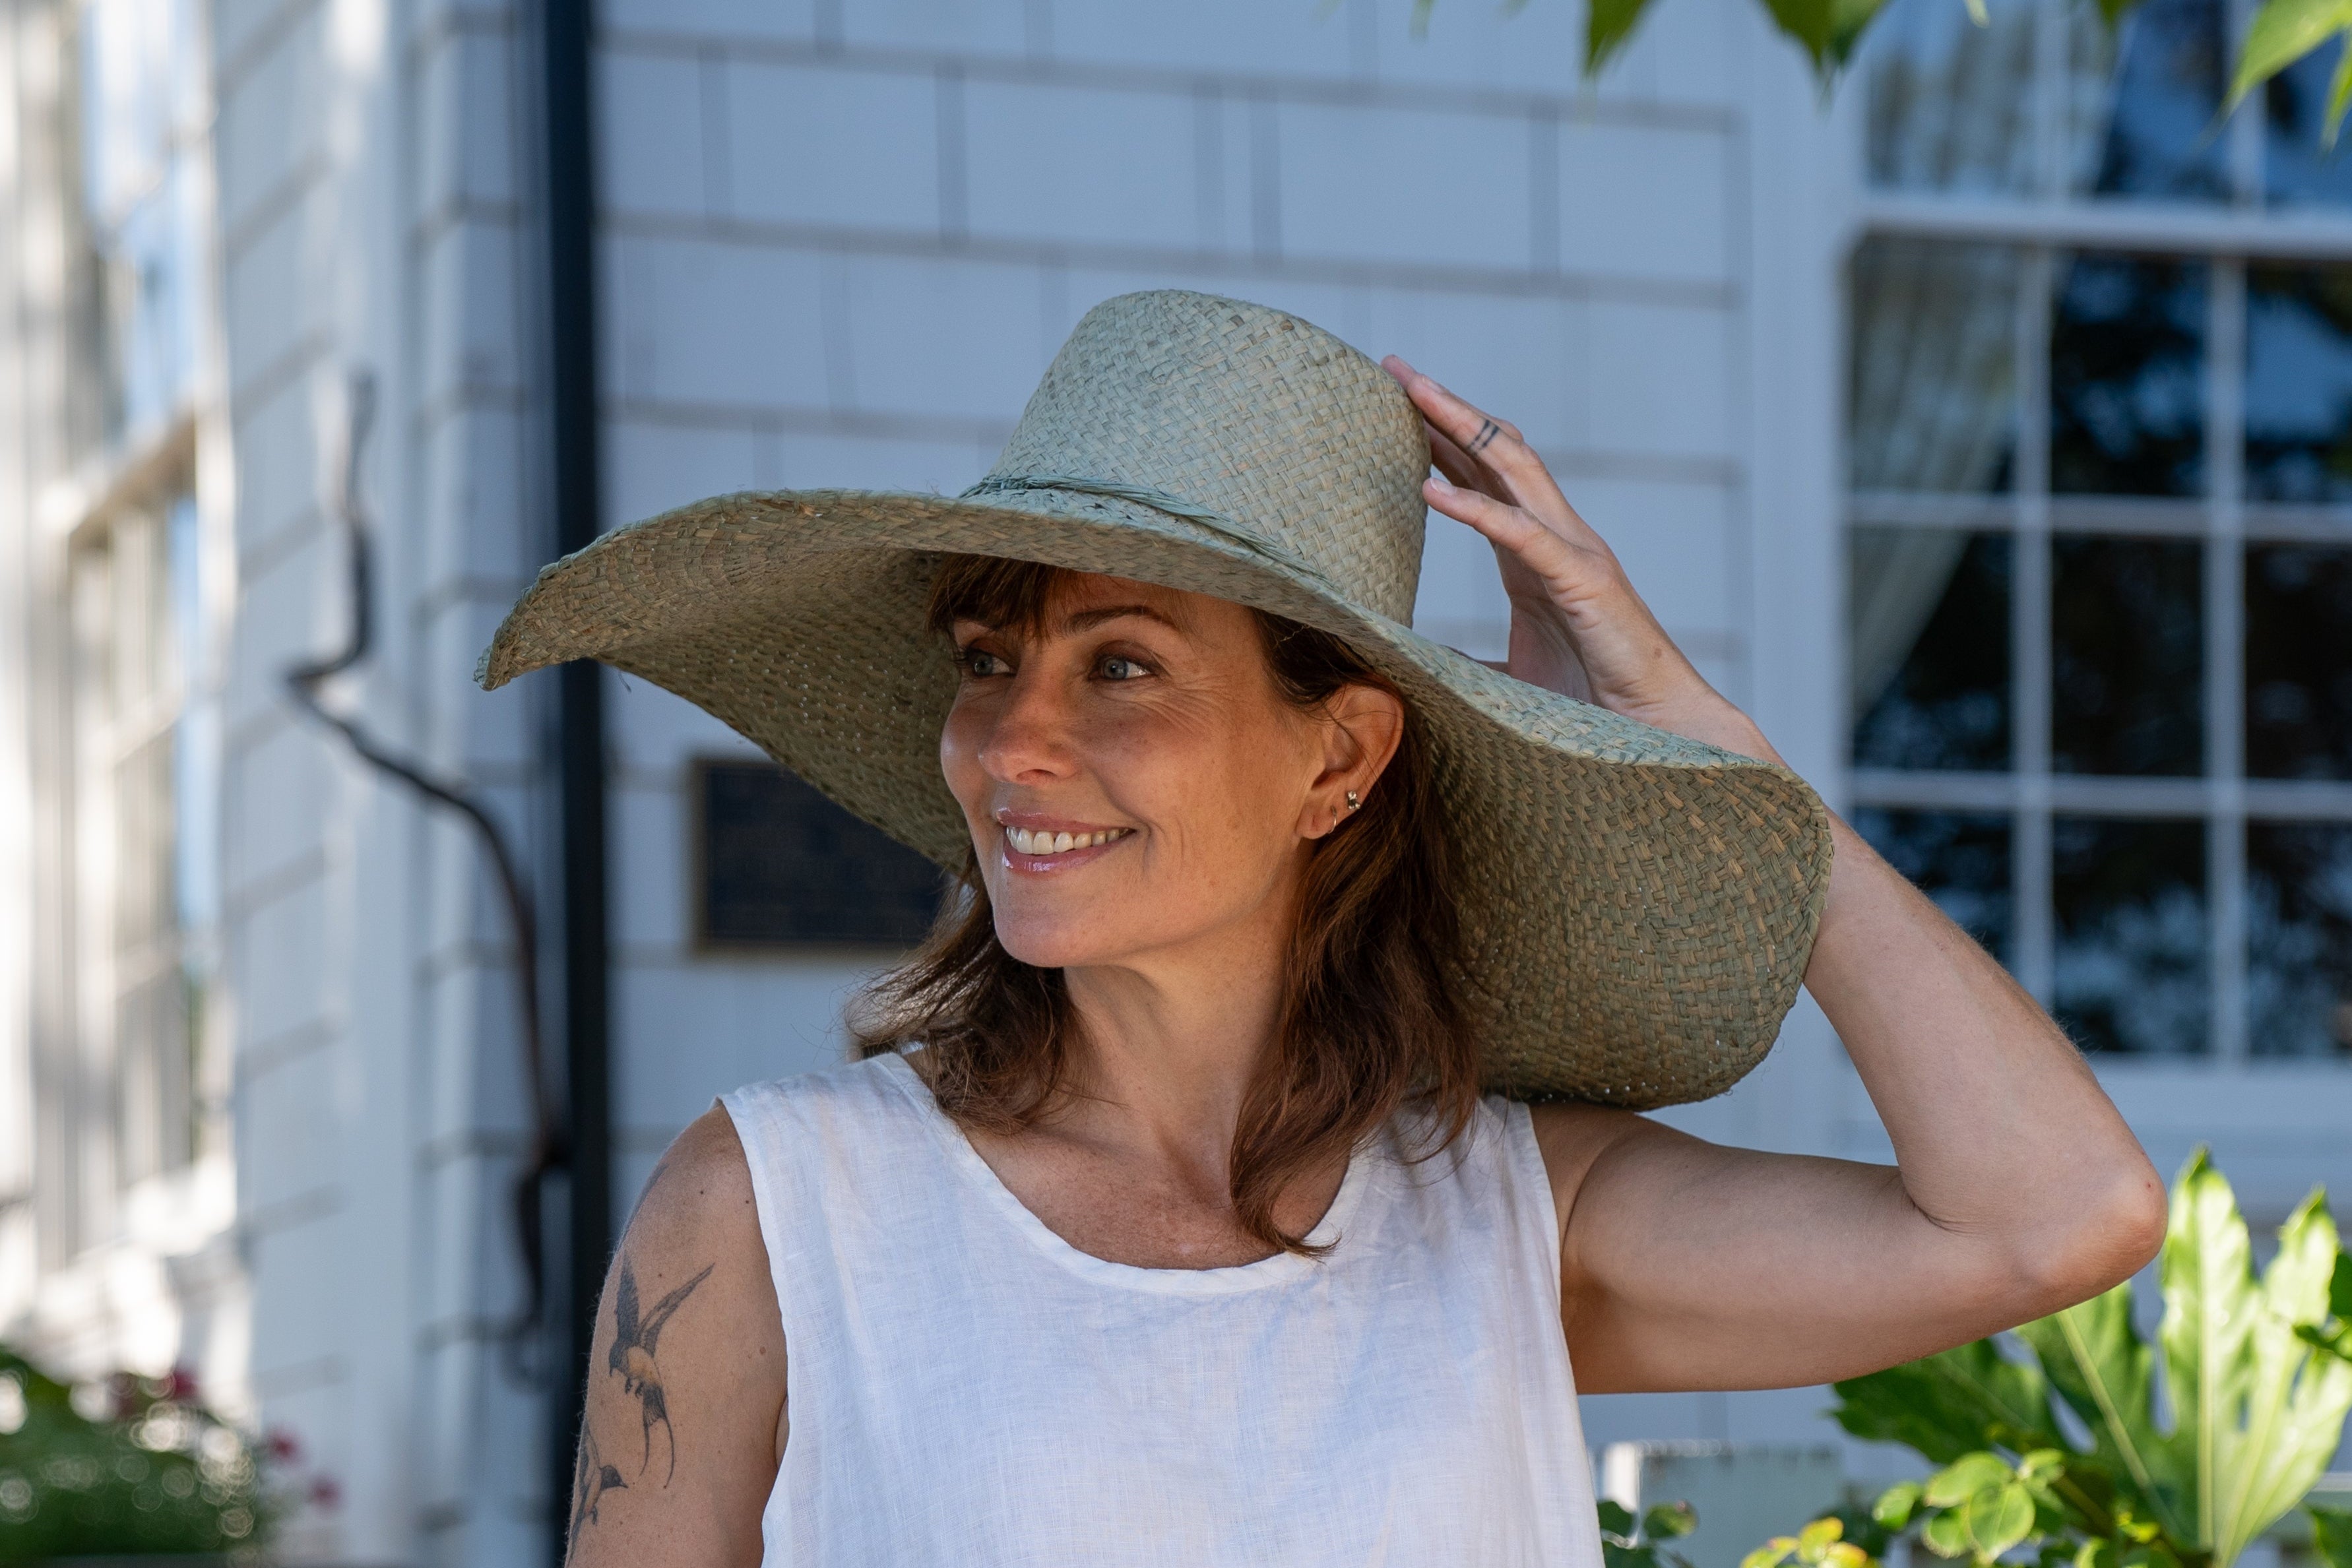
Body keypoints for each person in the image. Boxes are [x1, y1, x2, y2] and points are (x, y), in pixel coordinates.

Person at [482, 291, 2164, 1568]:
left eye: (1120, 665)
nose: (1010, 741)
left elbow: (2056, 1215)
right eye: (989, 661)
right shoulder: (776, 1209)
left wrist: (1718, 758)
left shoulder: (1513, 1215)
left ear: (1339, 759)